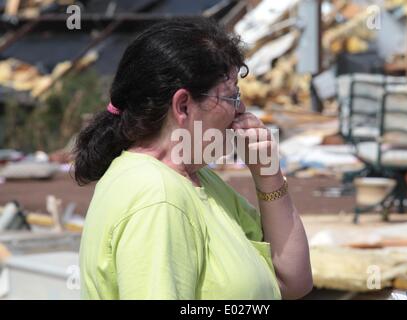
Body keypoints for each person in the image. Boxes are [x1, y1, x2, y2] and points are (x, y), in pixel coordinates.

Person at [74, 17, 312, 300]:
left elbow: (291, 281)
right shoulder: (158, 197)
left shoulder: (199, 181)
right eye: (231, 97)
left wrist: (268, 174)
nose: (242, 109)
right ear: (183, 105)